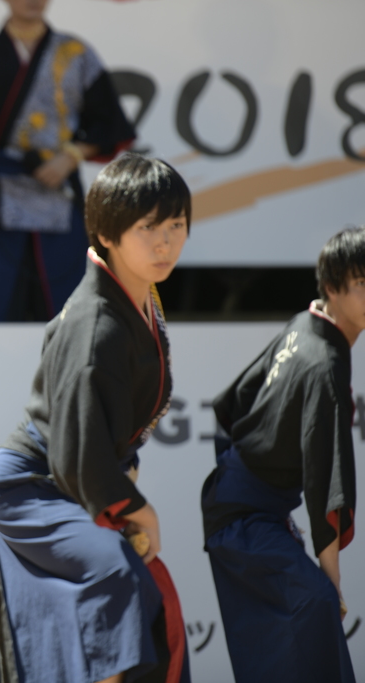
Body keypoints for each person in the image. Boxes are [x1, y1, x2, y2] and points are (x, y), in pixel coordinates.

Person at [0, 154, 192, 683]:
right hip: (32, 486)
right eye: (148, 227)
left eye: (176, 224)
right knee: (116, 574)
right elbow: (78, 454)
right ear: (108, 232)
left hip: (73, 479)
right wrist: (140, 512)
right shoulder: (96, 324)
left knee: (142, 591)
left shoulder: (138, 298)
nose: (165, 241)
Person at [201, 227, 363, 683]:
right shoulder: (325, 363)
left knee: (294, 625)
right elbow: (327, 478)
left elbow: (229, 406)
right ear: (331, 287)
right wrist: (332, 579)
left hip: (245, 511)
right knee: (316, 601)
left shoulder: (303, 324)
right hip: (242, 519)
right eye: (363, 283)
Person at [0, 0, 135, 322]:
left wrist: (72, 156)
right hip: (0, 198)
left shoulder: (74, 53)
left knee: (70, 308)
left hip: (59, 194)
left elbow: (109, 122)